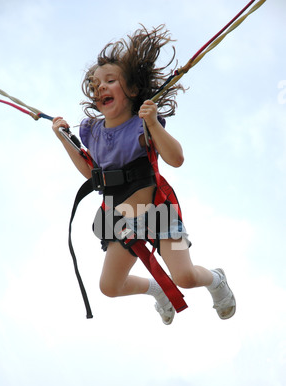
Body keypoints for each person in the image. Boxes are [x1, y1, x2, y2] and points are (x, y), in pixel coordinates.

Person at [52, 25, 236, 325]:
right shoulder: (92, 132)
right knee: (109, 287)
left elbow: (176, 159)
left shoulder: (142, 125)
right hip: (121, 222)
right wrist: (65, 140)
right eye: (95, 83)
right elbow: (91, 174)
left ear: (133, 90)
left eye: (110, 81)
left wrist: (153, 124)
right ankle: (156, 291)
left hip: (159, 214)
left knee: (186, 277)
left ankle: (216, 280)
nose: (101, 88)